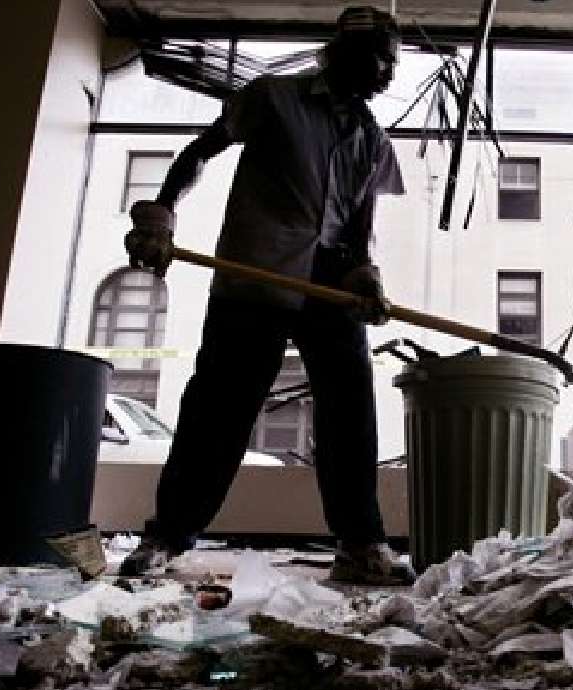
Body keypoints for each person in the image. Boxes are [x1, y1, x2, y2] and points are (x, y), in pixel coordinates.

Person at [119, 6, 413, 585]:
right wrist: (160, 216)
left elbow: (356, 227)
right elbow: (201, 151)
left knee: (351, 407)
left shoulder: (373, 141)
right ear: (346, 51)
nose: (388, 73)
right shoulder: (275, 98)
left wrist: (365, 278)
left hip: (327, 282)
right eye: (382, 58)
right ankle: (165, 538)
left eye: (393, 63)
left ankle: (360, 545)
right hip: (256, 272)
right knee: (219, 410)